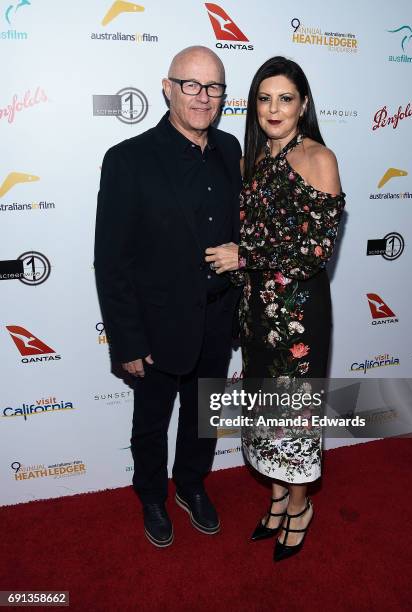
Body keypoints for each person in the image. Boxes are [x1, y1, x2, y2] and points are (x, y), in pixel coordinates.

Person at [94, 46, 242, 548]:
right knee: (151, 423)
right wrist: (127, 342)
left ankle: (192, 485)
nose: (204, 97)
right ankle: (153, 496)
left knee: (203, 419)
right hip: (156, 328)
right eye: (191, 85)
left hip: (219, 320)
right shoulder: (127, 160)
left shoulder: (231, 151)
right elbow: (112, 262)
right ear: (167, 87)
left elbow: (248, 228)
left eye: (214, 87)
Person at [205, 56, 346, 561]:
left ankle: (300, 507)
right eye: (264, 98)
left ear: (303, 104)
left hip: (300, 315)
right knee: (267, 415)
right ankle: (278, 497)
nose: (273, 108)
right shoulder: (254, 159)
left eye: (285, 98)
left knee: (297, 417)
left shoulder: (318, 158)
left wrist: (246, 256)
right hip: (258, 313)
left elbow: (316, 252)